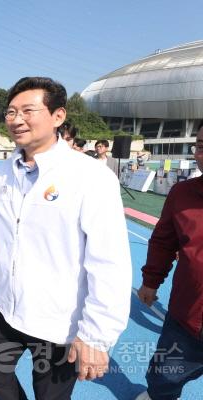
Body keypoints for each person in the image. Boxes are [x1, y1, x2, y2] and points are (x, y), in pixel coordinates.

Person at [0, 77, 132, 399]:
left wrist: (96, 335)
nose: (17, 119)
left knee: (49, 395)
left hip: (58, 319)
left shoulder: (90, 176)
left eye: (28, 110)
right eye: (10, 112)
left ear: (58, 116)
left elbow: (109, 263)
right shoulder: (2, 173)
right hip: (5, 305)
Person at [135, 122, 203, 400]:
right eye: (200, 145)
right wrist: (150, 281)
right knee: (163, 377)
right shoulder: (182, 194)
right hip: (186, 318)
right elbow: (163, 242)